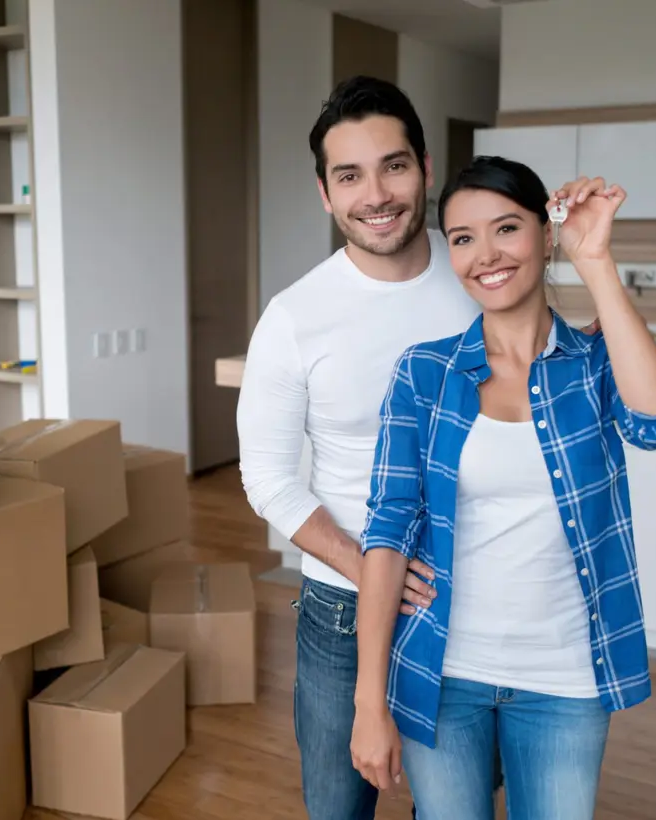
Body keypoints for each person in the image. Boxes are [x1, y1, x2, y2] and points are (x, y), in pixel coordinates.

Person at [237, 75, 597, 819]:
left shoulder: (477, 265)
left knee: (463, 802)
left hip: (479, 603)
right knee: (341, 805)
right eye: (350, 175)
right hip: (345, 609)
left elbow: (545, 369)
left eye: (393, 166)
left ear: (426, 169)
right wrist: (374, 570)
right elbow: (268, 480)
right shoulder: (294, 318)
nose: (376, 193)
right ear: (325, 194)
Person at [349, 155, 656, 819]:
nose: (486, 255)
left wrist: (594, 262)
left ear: (544, 231)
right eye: (464, 238)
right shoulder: (425, 373)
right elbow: (386, 532)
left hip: (565, 678)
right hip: (441, 674)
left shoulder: (594, 363)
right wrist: (370, 702)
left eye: (506, 228)